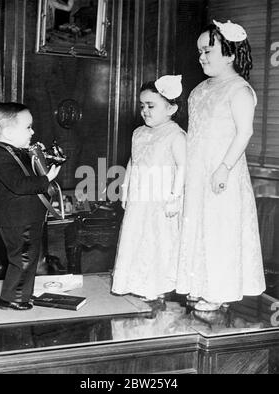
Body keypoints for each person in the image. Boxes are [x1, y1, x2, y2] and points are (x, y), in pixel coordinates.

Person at [176, 20, 266, 311]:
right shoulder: (200, 90)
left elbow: (245, 132)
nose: (201, 56)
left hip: (222, 172)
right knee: (198, 225)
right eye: (199, 51)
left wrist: (224, 167)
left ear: (229, 53)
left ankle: (219, 291)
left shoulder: (239, 90)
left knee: (219, 229)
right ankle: (199, 284)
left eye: (207, 50)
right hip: (198, 170)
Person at [111, 75, 186, 302]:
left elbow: (183, 167)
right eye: (142, 106)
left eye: (151, 106)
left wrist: (175, 197)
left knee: (159, 240)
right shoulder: (139, 132)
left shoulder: (176, 134)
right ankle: (136, 282)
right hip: (139, 196)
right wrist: (125, 186)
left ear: (171, 108)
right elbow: (133, 161)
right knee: (136, 237)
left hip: (161, 199)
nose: (145, 111)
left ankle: (158, 285)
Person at [0, 102, 61, 311]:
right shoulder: (1, 155)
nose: (33, 131)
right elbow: (19, 185)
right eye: (28, 127)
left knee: (28, 258)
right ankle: (14, 298)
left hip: (27, 218)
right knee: (23, 260)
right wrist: (46, 179)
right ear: (8, 133)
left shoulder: (14, 151)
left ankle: (21, 294)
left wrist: (39, 157)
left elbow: (26, 173)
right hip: (18, 220)